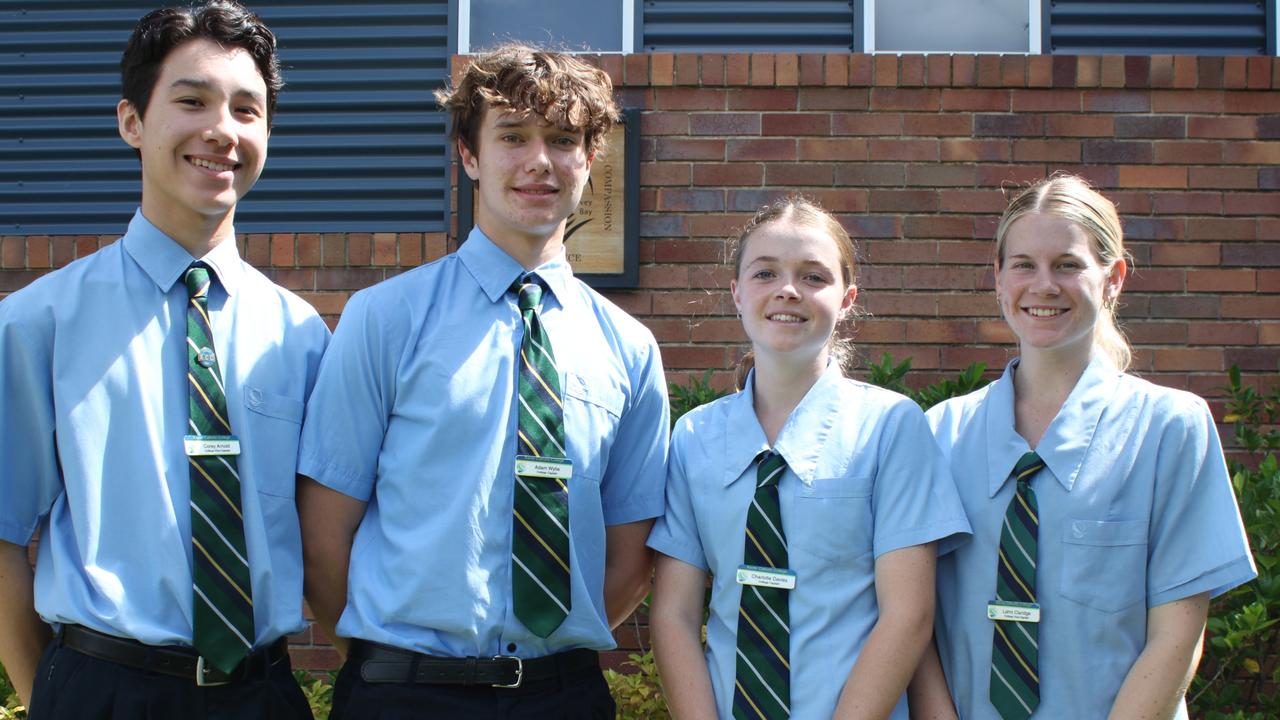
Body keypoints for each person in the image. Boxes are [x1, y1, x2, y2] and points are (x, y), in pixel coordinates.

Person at [295, 44, 669, 719]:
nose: (539, 161)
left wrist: (543, 654)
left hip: (562, 698)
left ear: (590, 158)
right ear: (469, 155)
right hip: (404, 696)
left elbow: (629, 557)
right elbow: (324, 539)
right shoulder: (385, 319)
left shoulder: (630, 350)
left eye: (562, 140)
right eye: (513, 137)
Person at [0, 2, 329, 718]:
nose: (223, 130)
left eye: (248, 110)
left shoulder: (301, 336)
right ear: (131, 122)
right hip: (101, 687)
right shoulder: (38, 323)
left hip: (261, 695)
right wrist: (50, 698)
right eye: (192, 100)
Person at [910, 175, 1256, 719]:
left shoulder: (1169, 427)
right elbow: (915, 623)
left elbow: (1177, 637)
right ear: (998, 278)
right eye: (1023, 264)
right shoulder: (939, 433)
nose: (1043, 285)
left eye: (1068, 265)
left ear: (1113, 278)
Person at [647, 196, 971, 719]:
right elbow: (675, 615)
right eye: (765, 272)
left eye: (814, 276)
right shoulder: (694, 436)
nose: (788, 290)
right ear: (735, 292)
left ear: (848, 299)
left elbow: (908, 614)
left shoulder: (890, 427)